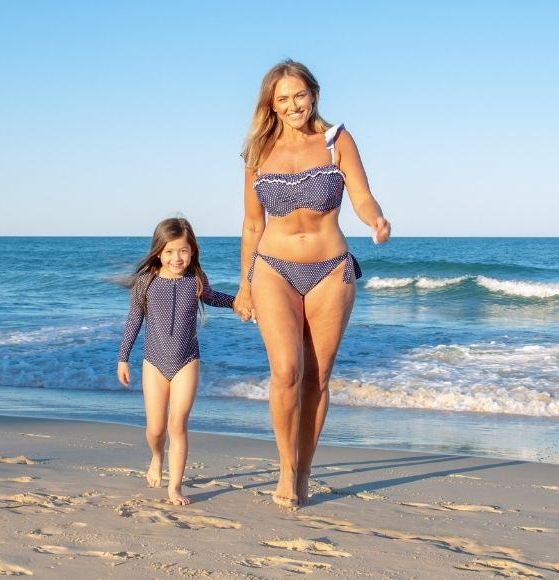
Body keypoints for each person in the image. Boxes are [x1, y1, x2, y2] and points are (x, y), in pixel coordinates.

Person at [234, 59, 391, 508]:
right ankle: (285, 468)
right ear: (271, 103)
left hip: (331, 269)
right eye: (282, 98)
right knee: (286, 372)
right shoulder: (258, 152)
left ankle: (304, 471)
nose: (292, 105)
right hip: (273, 269)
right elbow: (250, 225)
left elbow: (360, 194)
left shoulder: (337, 139)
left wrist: (375, 218)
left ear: (313, 93)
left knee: (317, 378)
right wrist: (245, 285)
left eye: (299, 95)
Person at [117, 217, 235, 506]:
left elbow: (214, 297)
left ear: (192, 250)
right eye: (169, 251)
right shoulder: (146, 282)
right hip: (153, 362)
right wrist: (123, 358)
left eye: (183, 250)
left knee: (177, 425)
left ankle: (175, 486)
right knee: (156, 429)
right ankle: (157, 457)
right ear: (158, 251)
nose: (176, 257)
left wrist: (239, 302)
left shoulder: (196, 280)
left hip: (187, 361)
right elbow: (134, 320)